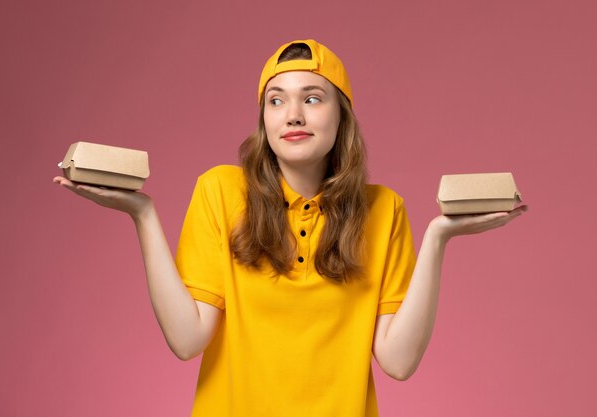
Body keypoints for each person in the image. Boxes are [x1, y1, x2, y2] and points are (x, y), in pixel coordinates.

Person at [53, 39, 527, 417]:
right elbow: (187, 340)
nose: (293, 114)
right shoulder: (221, 191)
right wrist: (143, 215)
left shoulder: (384, 210)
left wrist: (438, 239)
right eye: (276, 100)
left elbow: (398, 363)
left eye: (312, 98)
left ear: (342, 117)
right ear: (264, 119)